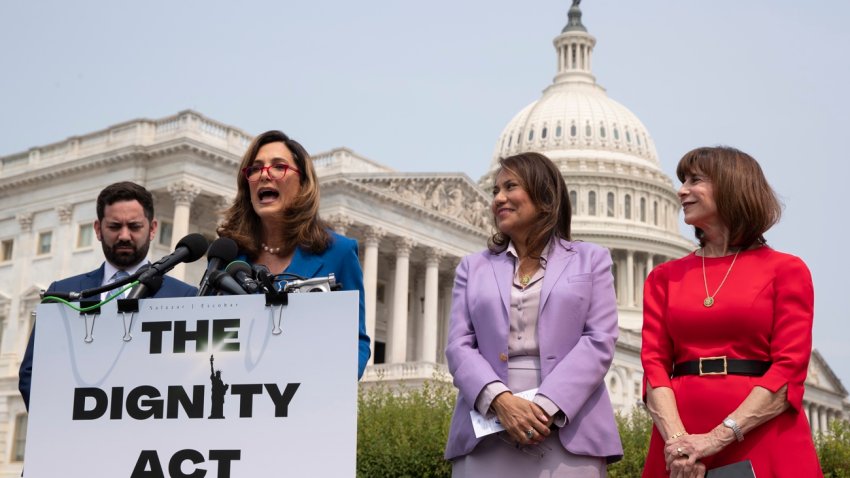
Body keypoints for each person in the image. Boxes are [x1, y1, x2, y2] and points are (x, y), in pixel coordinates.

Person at [641, 146, 823, 477]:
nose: (681, 190)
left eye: (695, 180)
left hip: (761, 436)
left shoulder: (786, 270)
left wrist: (714, 440)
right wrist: (681, 445)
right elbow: (654, 367)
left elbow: (788, 371)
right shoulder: (663, 278)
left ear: (731, 186)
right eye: (682, 180)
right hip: (678, 445)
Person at [445, 152, 623, 477]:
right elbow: (458, 346)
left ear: (543, 196)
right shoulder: (473, 267)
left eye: (510, 187)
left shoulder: (591, 260)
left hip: (569, 424)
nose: (499, 198)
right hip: (488, 427)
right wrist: (501, 401)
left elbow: (599, 340)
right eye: (495, 191)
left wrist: (544, 406)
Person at [18, 181, 197, 409]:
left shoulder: (184, 297)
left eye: (134, 226)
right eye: (114, 226)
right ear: (97, 229)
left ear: (152, 229)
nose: (124, 236)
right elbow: (32, 372)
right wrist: (61, 421)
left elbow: (190, 376)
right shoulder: (61, 293)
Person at [217, 130, 370, 379]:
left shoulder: (339, 253)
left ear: (302, 184)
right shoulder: (228, 256)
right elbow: (205, 333)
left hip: (306, 400)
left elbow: (356, 341)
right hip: (238, 398)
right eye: (255, 169)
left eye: (279, 167)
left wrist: (333, 382)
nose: (265, 175)